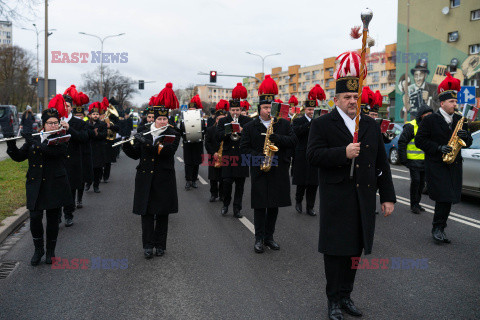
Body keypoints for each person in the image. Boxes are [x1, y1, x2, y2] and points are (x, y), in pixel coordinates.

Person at [306, 51, 396, 320]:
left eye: (355, 97)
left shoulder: (369, 124)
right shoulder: (323, 124)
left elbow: (382, 163)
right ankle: (333, 300)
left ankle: (346, 296)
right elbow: (312, 156)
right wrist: (342, 153)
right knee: (335, 254)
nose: (352, 102)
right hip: (337, 199)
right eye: (347, 97)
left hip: (363, 200)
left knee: (355, 252)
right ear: (336, 100)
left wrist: (388, 197)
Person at [6, 102, 73, 266]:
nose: (53, 125)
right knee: (35, 218)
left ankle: (51, 251)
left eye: (56, 122)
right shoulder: (35, 138)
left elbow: (54, 152)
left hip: (54, 183)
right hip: (35, 184)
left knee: (52, 218)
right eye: (50, 123)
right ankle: (38, 250)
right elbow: (20, 157)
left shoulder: (62, 137)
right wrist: (10, 143)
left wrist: (34, 142)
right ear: (43, 124)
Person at [240, 75, 297, 253]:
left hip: (278, 170)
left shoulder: (284, 124)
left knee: (273, 206)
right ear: (260, 109)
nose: (268, 111)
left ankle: (269, 237)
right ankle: (258, 239)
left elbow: (293, 142)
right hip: (260, 170)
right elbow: (243, 150)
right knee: (260, 206)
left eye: (271, 108)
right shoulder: (250, 127)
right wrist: (260, 159)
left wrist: (276, 138)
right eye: (265, 107)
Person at [123, 84, 180, 259]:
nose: (163, 122)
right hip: (145, 177)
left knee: (162, 213)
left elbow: (167, 151)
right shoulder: (143, 131)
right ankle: (147, 245)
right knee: (146, 214)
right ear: (153, 119)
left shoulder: (173, 133)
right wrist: (126, 144)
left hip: (164, 178)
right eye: (160, 119)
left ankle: (160, 245)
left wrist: (147, 143)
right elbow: (135, 155)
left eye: (165, 119)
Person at [415, 73, 473, 244]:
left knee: (449, 199)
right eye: (452, 102)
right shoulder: (431, 119)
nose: (455, 105)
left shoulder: (460, 119)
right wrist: (438, 148)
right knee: (443, 198)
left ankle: (440, 227)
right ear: (442, 103)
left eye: (456, 102)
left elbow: (467, 142)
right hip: (437, 165)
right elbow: (420, 141)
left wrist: (466, 136)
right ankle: (438, 228)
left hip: (454, 165)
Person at [217, 84, 252, 218]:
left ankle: (237, 209)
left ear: (241, 109)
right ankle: (226, 204)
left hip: (242, 156)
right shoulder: (223, 121)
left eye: (237, 109)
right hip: (227, 154)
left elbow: (251, 138)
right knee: (226, 182)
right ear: (229, 110)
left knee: (240, 185)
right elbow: (218, 136)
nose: (235, 112)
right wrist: (229, 130)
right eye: (233, 110)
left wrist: (242, 131)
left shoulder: (247, 121)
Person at [292, 85, 325, 216]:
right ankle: (298, 201)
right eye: (309, 109)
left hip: (315, 154)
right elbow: (296, 133)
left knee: (313, 183)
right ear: (305, 109)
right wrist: (310, 124)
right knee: (301, 182)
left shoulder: (320, 122)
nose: (311, 112)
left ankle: (310, 207)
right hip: (301, 154)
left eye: (313, 109)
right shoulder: (298, 120)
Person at [60, 86, 89, 227]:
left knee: (71, 190)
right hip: (58, 160)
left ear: (72, 107)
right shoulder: (54, 121)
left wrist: (68, 128)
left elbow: (83, 138)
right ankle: (57, 215)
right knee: (57, 189)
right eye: (63, 106)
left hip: (73, 161)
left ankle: (68, 214)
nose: (65, 108)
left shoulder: (79, 123)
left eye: (68, 106)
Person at [398, 103, 433, 214]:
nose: (428, 116)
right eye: (426, 114)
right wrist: (403, 159)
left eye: (430, 114)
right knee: (416, 182)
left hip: (425, 161)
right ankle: (414, 205)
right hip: (413, 160)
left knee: (422, 184)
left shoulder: (431, 127)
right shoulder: (411, 126)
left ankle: (417, 203)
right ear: (421, 115)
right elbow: (402, 142)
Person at [180, 94, 205, 190]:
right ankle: (188, 181)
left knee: (196, 163)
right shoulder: (183, 121)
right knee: (188, 163)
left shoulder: (201, 120)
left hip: (198, 144)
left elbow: (204, 130)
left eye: (193, 110)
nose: (191, 112)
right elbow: (181, 131)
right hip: (188, 144)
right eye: (190, 110)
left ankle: (194, 180)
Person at [205, 105, 227, 202]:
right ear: (216, 120)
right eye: (219, 119)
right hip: (213, 155)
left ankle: (222, 195)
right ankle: (213, 194)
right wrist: (213, 152)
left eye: (223, 119)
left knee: (223, 177)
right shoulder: (210, 130)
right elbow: (207, 143)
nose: (221, 121)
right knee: (213, 177)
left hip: (224, 156)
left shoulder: (228, 130)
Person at [86, 102, 108, 193]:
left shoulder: (102, 124)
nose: (95, 115)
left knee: (98, 169)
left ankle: (96, 185)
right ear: (90, 115)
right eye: (94, 114)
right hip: (89, 148)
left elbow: (104, 135)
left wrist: (97, 134)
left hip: (99, 149)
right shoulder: (86, 124)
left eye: (97, 114)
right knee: (89, 167)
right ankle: (88, 183)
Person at [102, 98, 120, 183]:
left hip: (109, 141)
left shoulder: (114, 117)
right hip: (100, 140)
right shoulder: (100, 115)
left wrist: (110, 126)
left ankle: (106, 176)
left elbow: (118, 128)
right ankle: (98, 176)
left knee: (108, 161)